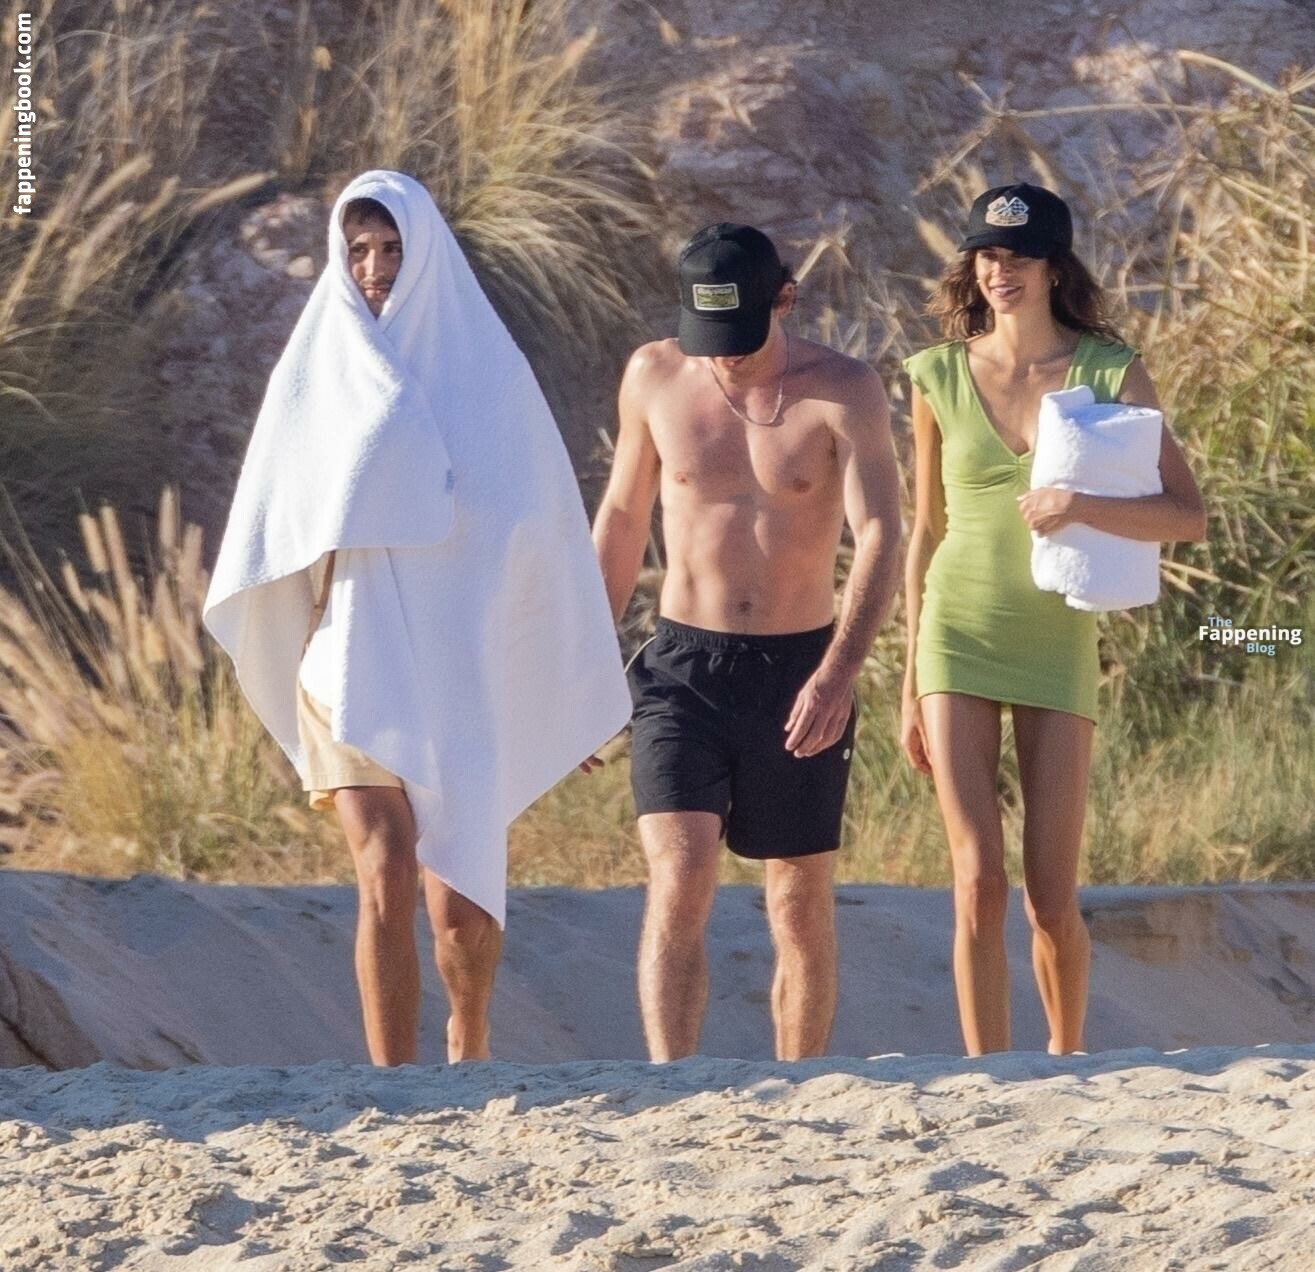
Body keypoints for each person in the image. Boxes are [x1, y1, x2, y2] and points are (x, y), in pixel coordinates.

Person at [205, 170, 631, 1065]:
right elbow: (271, 526)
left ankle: (466, 1036)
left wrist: (560, 677)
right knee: (385, 866)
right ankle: (392, 1081)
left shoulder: (490, 377)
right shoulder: (316, 372)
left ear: (426, 251)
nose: (373, 268)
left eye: (392, 248)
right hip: (346, 660)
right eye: (357, 249)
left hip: (461, 668)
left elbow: (541, 535)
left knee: (460, 911)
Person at [901, 183, 1207, 1056]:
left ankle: (1064, 1062)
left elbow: (1185, 516)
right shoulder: (935, 374)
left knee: (1048, 896)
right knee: (975, 883)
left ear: (1053, 268)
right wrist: (909, 681)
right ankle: (984, 1072)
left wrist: (1078, 505)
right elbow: (924, 531)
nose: (1000, 272)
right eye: (987, 256)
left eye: (1020, 257)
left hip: (1057, 637)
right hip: (955, 632)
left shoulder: (1109, 371)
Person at [593, 223, 902, 1061]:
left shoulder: (843, 390)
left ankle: (797, 1083)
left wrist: (838, 673)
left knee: (795, 900)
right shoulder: (654, 375)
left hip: (797, 666)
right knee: (680, 872)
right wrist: (582, 673)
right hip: (681, 667)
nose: (724, 356)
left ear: (784, 300)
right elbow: (620, 518)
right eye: (709, 336)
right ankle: (671, 1081)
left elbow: (880, 532)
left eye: (739, 334)